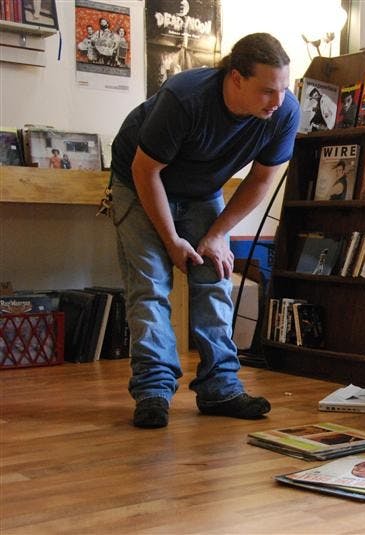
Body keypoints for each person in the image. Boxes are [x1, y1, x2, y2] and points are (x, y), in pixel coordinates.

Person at [109, 33, 300, 428]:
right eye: (267, 91)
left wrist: (216, 234)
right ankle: (153, 391)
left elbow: (261, 181)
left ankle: (220, 387)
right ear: (235, 79)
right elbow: (146, 171)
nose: (278, 101)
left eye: (283, 88)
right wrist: (171, 240)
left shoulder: (284, 112)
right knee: (150, 286)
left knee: (215, 274)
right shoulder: (185, 98)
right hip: (140, 181)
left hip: (202, 190)